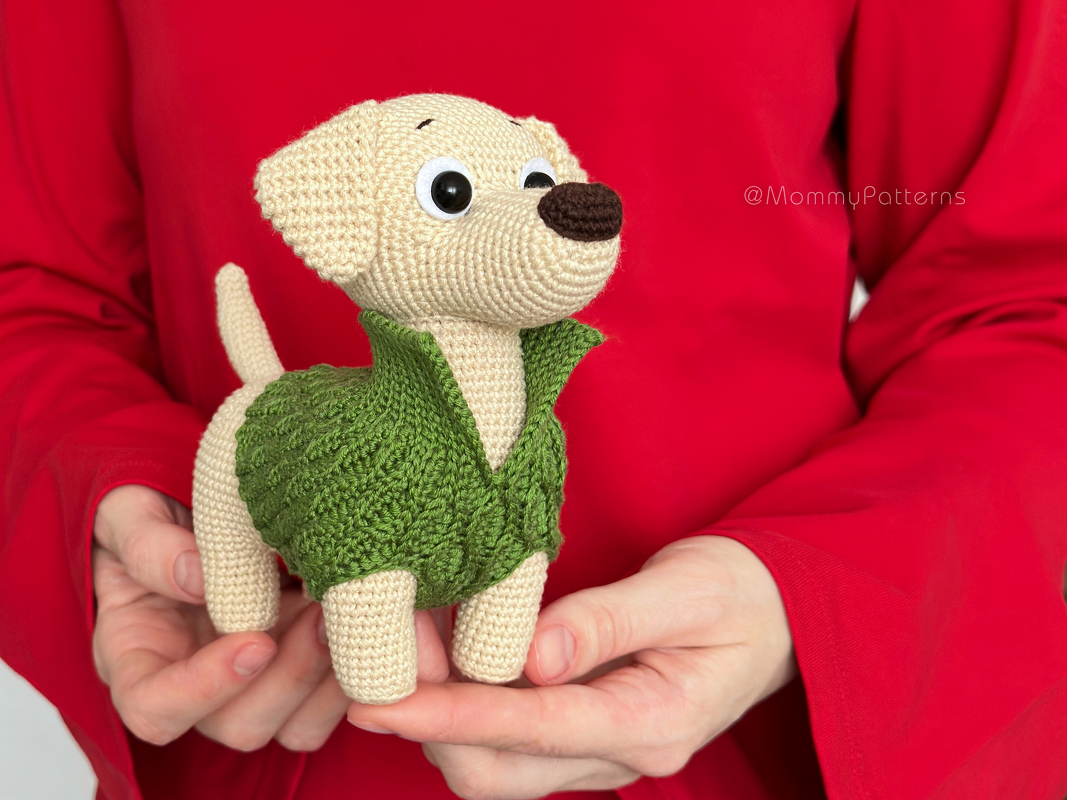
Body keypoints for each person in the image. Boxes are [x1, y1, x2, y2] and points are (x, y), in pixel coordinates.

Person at [1, 0, 1065, 798]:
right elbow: (33, 290)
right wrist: (112, 489)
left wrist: (813, 589)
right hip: (264, 731)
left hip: (761, 745)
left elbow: (1026, 295)